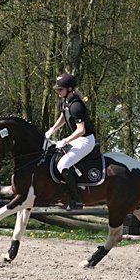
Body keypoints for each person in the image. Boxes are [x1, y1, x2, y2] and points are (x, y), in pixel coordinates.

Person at [45, 73, 96, 210]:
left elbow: (81, 130)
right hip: (78, 139)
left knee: (63, 164)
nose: (58, 92)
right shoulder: (65, 102)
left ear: (69, 89)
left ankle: (76, 199)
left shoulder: (77, 106)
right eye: (57, 89)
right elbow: (63, 116)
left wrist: (65, 140)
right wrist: (52, 129)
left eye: (60, 89)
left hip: (86, 140)